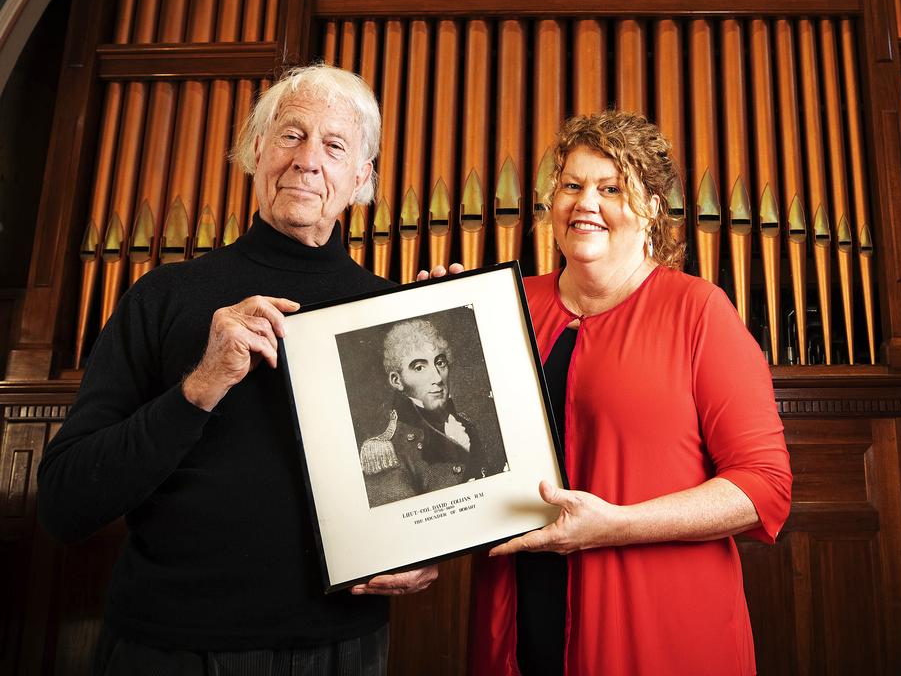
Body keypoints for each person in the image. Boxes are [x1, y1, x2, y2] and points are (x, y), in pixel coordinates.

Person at [36, 64, 442, 676]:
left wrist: (428, 549)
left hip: (341, 649)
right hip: (169, 647)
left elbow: (433, 483)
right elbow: (66, 503)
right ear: (257, 152)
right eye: (290, 135)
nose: (308, 160)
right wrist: (200, 387)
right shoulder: (161, 296)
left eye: (334, 145)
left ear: (361, 178)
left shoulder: (390, 316)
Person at [468, 110, 793, 676]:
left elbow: (763, 487)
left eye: (611, 187)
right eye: (572, 185)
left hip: (658, 624)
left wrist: (615, 525)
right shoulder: (507, 304)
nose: (585, 203)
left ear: (650, 210)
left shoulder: (699, 311)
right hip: (520, 613)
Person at [359, 318, 507, 507]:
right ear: (397, 380)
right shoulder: (387, 449)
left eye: (440, 363)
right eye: (419, 367)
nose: (437, 378)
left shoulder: (464, 426)